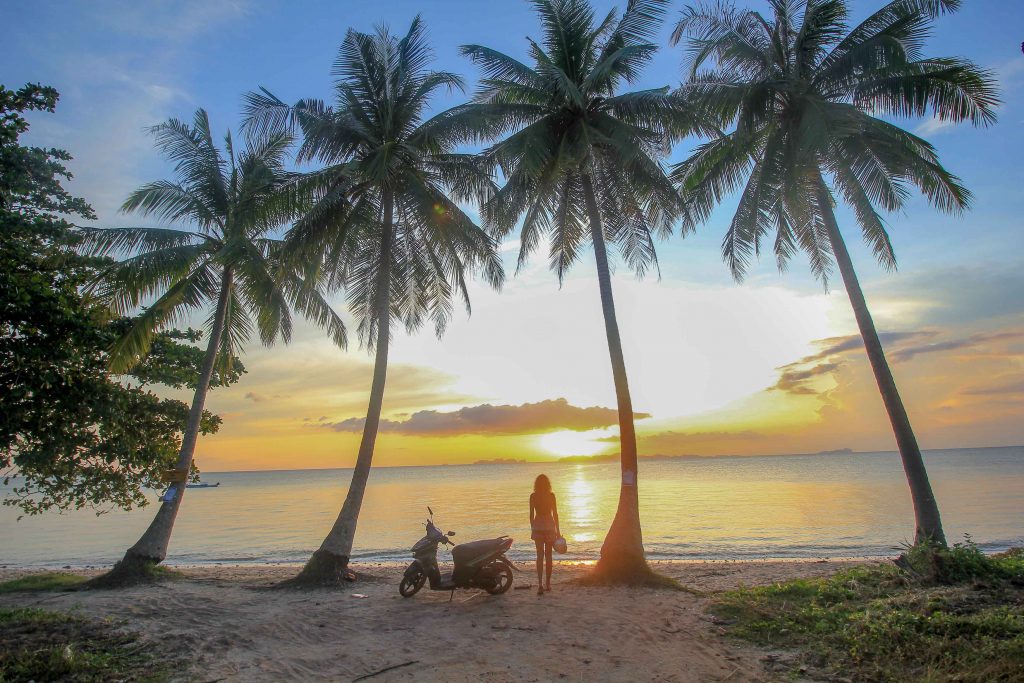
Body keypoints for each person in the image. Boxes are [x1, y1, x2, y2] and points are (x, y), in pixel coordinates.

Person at [529, 474, 560, 595]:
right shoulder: (551, 496)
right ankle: (548, 584)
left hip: (538, 527)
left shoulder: (533, 496)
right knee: (549, 556)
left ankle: (540, 584)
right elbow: (555, 514)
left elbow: (531, 514)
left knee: (539, 556)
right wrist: (558, 530)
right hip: (549, 527)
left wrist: (532, 527)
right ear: (548, 484)